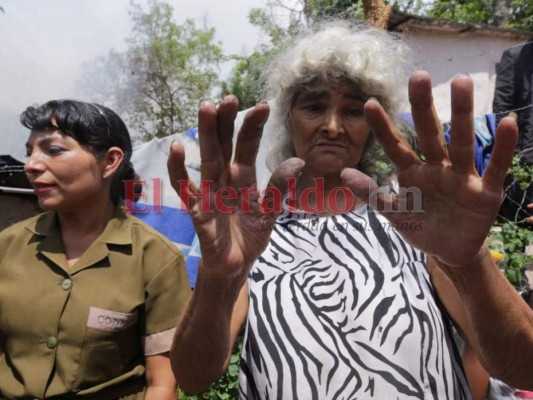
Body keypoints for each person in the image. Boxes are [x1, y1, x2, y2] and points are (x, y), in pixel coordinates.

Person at [168, 23, 533, 399]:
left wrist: (470, 264)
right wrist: (217, 278)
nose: (332, 126)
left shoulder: (417, 223)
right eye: (314, 106)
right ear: (288, 118)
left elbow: (525, 368)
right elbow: (193, 377)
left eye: (354, 111)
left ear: (376, 126)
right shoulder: (253, 230)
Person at [0, 100, 191, 399]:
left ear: (111, 161)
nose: (31, 165)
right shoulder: (7, 246)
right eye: (29, 152)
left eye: (53, 150)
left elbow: (162, 383)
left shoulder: (156, 259)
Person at [493, 41, 533, 222]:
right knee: (519, 220)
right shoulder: (516, 57)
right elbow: (501, 110)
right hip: (525, 158)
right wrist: (510, 155)